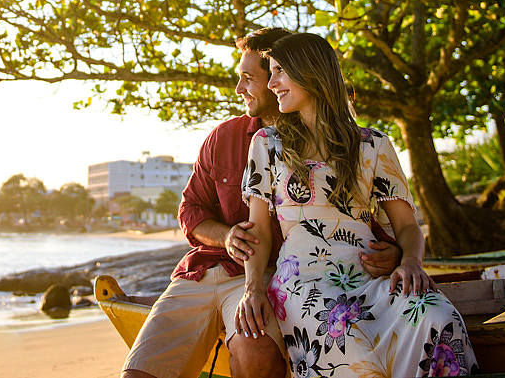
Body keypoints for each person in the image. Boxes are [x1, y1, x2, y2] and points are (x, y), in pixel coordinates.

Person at [122, 28, 401, 378]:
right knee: (138, 372)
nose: (240, 89)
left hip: (266, 276)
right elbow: (191, 211)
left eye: (249, 78)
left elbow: (356, 219)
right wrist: (226, 237)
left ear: (286, 74)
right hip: (202, 271)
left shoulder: (332, 144)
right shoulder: (223, 137)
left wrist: (394, 252)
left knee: (257, 355)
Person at [235, 32, 478, 377]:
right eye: (270, 73)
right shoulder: (267, 144)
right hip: (304, 284)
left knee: (439, 316)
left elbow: (406, 226)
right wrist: (253, 288)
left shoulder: (373, 144)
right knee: (349, 343)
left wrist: (410, 262)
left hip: (372, 280)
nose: (271, 84)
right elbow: (258, 230)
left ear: (311, 71)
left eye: (280, 71)